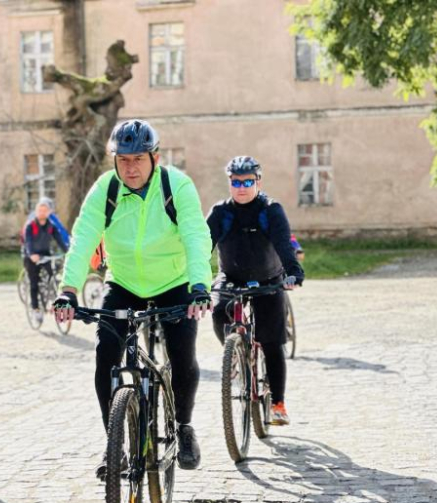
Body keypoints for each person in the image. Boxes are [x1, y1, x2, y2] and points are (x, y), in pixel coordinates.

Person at [53, 119, 213, 478]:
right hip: (124, 283)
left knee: (182, 353)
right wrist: (68, 290)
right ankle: (116, 445)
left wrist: (200, 285)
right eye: (123, 160)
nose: (131, 167)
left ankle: (184, 426)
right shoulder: (105, 190)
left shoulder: (177, 186)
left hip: (176, 282)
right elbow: (82, 240)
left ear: (154, 157)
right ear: (114, 160)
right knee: (105, 355)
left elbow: (195, 235)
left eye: (138, 158)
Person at [206, 156, 305, 425]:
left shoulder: (270, 210)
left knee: (272, 342)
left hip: (269, 279)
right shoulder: (221, 212)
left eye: (248, 181)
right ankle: (234, 353)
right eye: (235, 182)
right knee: (217, 311)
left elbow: (285, 246)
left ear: (258, 181)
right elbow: (202, 249)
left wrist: (294, 273)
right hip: (231, 277)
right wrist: (193, 280)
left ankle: (278, 403)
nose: (241, 187)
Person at [23, 199, 69, 326]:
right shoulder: (30, 226)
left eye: (45, 211)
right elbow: (28, 242)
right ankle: (36, 309)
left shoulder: (51, 226)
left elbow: (60, 241)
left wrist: (68, 252)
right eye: (40, 210)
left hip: (46, 257)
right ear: (36, 212)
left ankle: (52, 300)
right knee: (34, 283)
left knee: (53, 277)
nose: (42, 213)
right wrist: (32, 254)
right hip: (32, 258)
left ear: (49, 212)